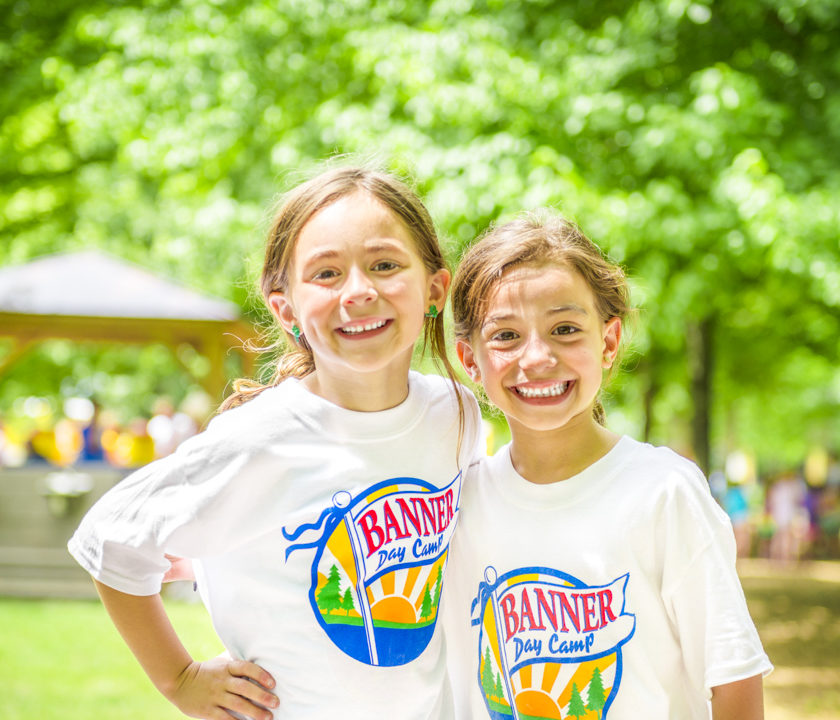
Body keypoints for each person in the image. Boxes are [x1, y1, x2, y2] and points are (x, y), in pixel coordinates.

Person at [69, 165, 482, 720]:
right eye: (327, 274)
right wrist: (180, 678)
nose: (359, 291)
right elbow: (110, 538)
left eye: (384, 265)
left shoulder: (454, 415)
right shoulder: (260, 437)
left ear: (435, 288)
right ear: (285, 309)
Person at [444, 211, 772, 719]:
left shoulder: (664, 491)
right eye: (506, 336)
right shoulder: (456, 504)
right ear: (470, 359)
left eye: (565, 328)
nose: (537, 357)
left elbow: (734, 679)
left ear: (610, 342)